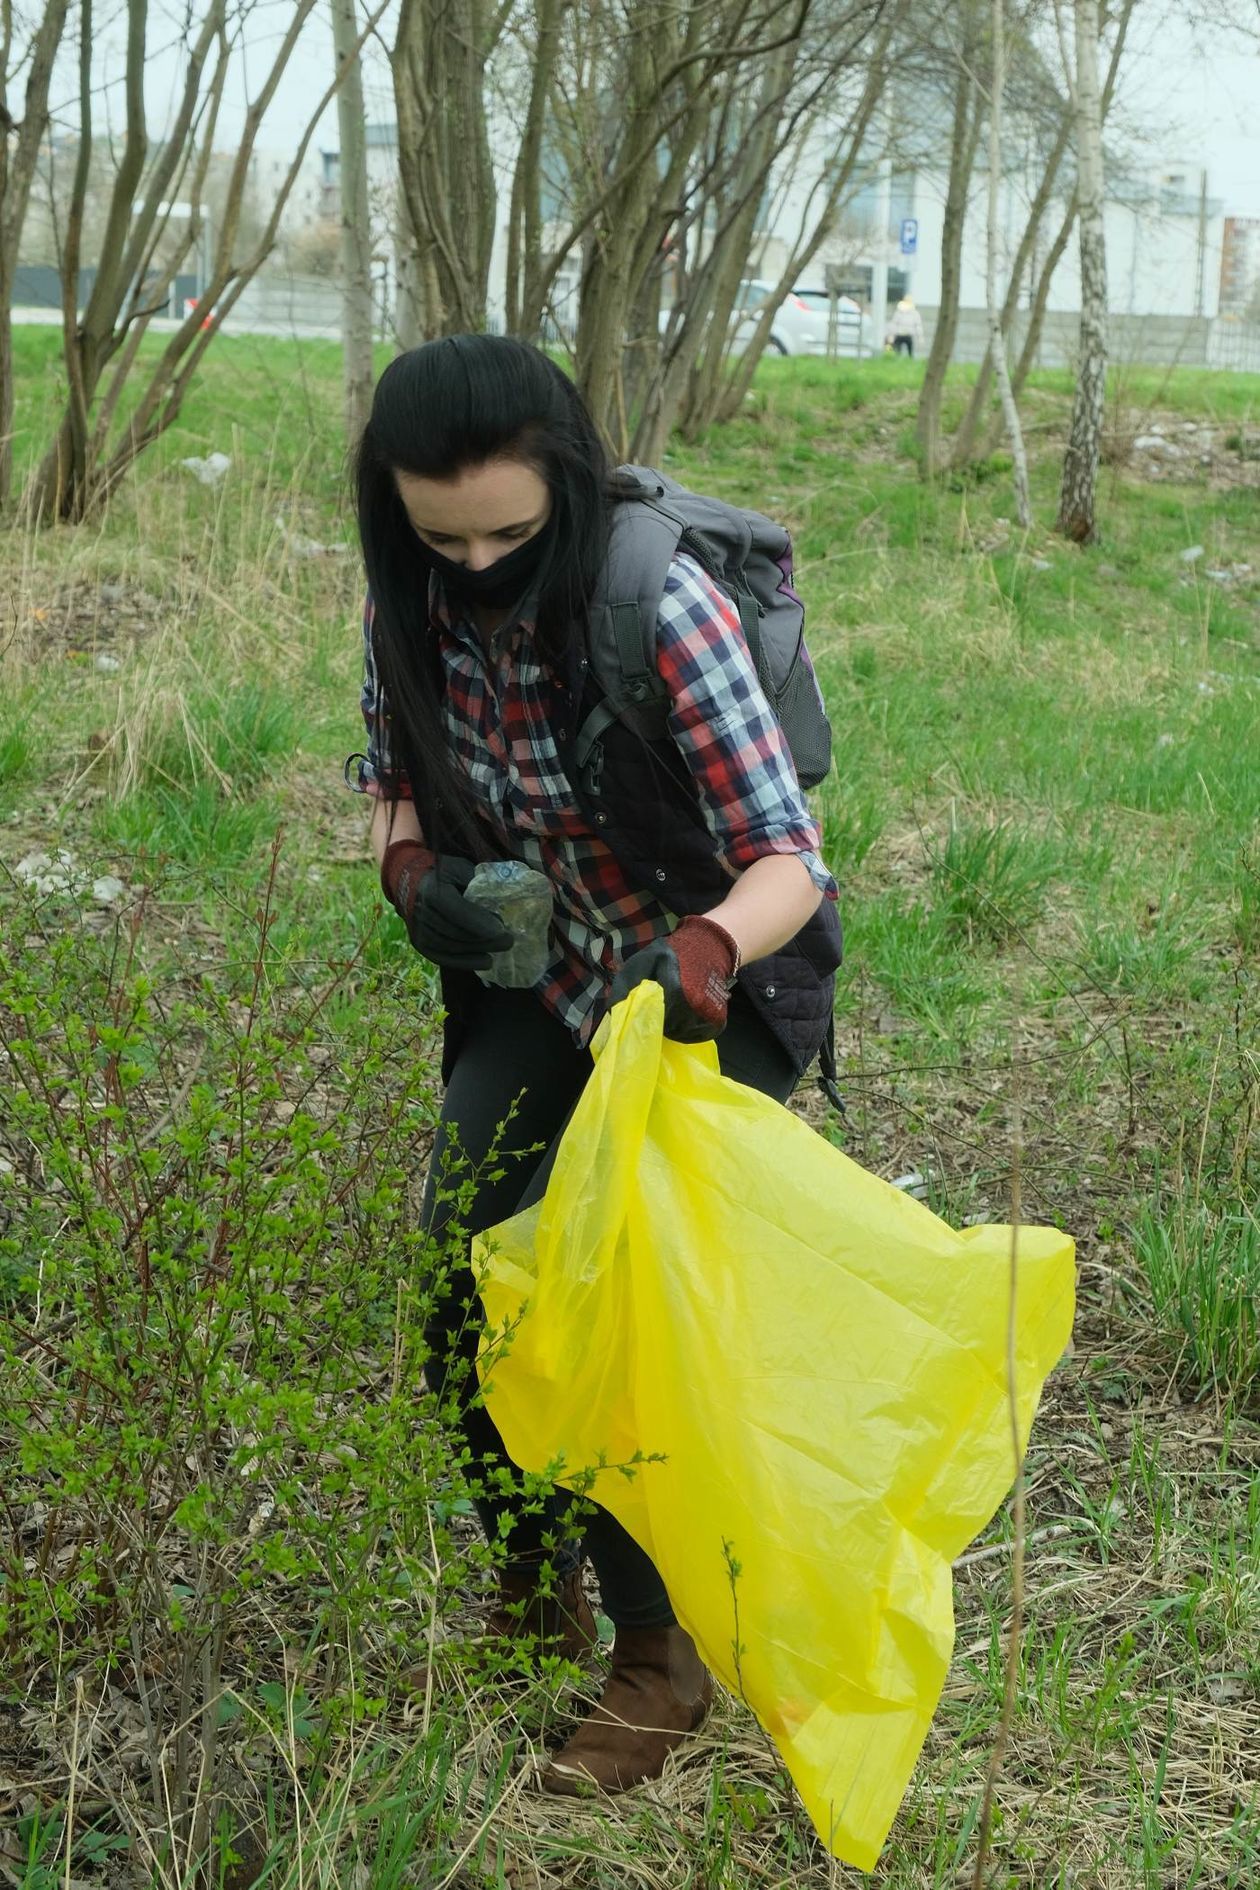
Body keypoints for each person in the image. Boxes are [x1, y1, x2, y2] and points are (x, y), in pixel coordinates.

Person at [346, 333, 841, 1796]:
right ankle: (528, 1574)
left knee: (604, 1291)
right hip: (539, 977)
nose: (481, 560)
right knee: (462, 1277)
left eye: (511, 528)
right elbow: (388, 790)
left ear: (563, 483)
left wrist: (697, 955)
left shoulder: (656, 599)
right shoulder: (403, 602)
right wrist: (413, 870)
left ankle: (656, 1654)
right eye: (446, 536)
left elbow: (785, 858)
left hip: (706, 981)